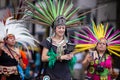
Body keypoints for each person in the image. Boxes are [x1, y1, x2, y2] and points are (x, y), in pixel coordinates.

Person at [40, 16, 76, 80]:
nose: (61, 30)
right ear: (55, 29)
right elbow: (43, 58)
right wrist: (60, 57)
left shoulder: (68, 42)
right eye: (59, 28)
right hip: (51, 74)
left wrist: (71, 56)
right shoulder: (48, 41)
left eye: (63, 28)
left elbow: (71, 56)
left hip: (65, 74)